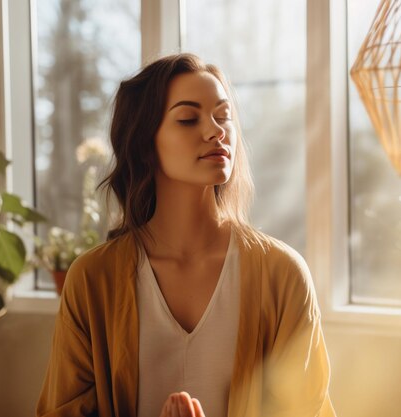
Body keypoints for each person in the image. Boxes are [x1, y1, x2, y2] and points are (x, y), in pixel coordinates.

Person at [36, 53, 336, 417]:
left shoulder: (283, 275)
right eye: (188, 118)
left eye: (223, 116)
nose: (216, 131)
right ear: (145, 145)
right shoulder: (92, 280)